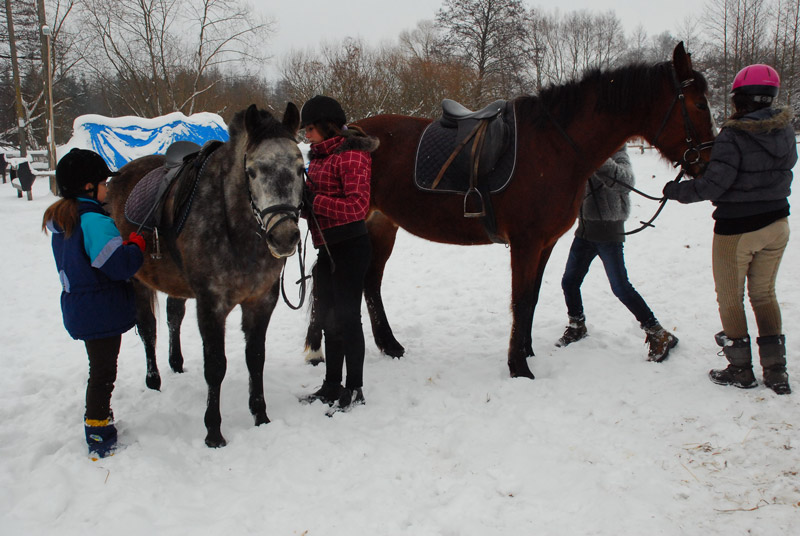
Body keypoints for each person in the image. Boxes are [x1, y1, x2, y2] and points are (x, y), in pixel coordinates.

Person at [663, 64, 795, 395]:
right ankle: (776, 371)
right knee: (764, 294)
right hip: (777, 224)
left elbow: (713, 185)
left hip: (737, 229)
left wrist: (675, 191)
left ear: (740, 98)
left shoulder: (733, 135)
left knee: (730, 298)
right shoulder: (784, 131)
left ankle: (740, 369)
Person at [42, 148, 145, 459]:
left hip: (81, 307)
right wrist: (135, 246)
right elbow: (118, 266)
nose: (107, 189)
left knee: (99, 369)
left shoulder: (65, 220)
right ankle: (99, 433)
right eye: (103, 183)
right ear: (88, 187)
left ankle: (100, 418)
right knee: (102, 374)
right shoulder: (94, 222)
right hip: (100, 311)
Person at [557, 145, 678, 362]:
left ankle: (658, 332)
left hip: (609, 234)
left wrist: (599, 158)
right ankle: (577, 325)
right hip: (584, 232)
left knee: (621, 287)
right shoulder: (582, 151)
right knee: (569, 282)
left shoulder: (616, 151)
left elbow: (626, 181)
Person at [298, 95, 379, 412]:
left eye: (310, 129)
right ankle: (332, 384)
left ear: (327, 126)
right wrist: (301, 203)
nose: (306, 135)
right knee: (328, 319)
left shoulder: (352, 154)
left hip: (350, 247)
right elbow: (316, 205)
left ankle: (355, 388)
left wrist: (314, 202)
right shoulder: (318, 158)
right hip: (326, 249)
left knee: (347, 319)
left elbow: (357, 207)